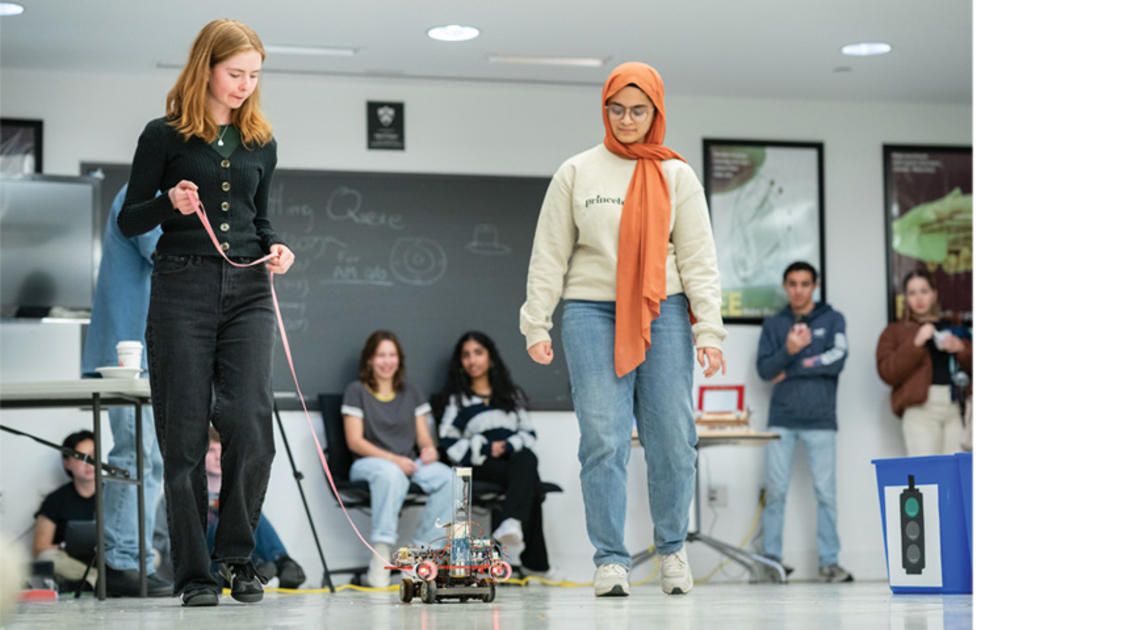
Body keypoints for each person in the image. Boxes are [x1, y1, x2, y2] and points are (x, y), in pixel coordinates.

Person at [520, 62, 726, 597]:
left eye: (638, 110)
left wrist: (710, 332)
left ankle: (672, 551)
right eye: (617, 109)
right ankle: (611, 560)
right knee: (603, 441)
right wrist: (535, 322)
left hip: (666, 312)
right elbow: (549, 253)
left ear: (656, 111)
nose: (627, 119)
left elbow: (701, 259)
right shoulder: (576, 171)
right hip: (591, 312)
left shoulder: (676, 174)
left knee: (674, 440)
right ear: (604, 110)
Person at [117, 18, 296, 607]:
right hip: (180, 289)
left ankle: (238, 558)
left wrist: (276, 246)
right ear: (207, 68)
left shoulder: (261, 141)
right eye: (235, 73)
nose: (245, 85)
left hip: (247, 290)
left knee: (250, 422)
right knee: (184, 434)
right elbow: (129, 221)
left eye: (254, 76)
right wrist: (168, 200)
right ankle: (195, 573)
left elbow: (259, 217)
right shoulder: (163, 135)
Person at [80, 183, 172, 597]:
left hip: (144, 352)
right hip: (126, 354)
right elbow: (168, 257)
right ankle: (121, 563)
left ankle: (130, 560)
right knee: (135, 454)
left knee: (146, 457)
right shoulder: (143, 194)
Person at [754, 261, 854, 583]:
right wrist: (789, 349)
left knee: (825, 493)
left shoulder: (833, 319)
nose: (798, 289)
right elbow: (766, 371)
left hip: (821, 419)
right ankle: (771, 562)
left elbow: (837, 361)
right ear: (785, 286)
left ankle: (829, 563)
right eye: (793, 283)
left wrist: (793, 367)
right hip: (781, 419)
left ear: (815, 286)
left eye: (805, 283)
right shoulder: (774, 325)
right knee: (777, 491)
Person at [434, 331, 558, 580]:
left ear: (490, 358)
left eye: (478, 353)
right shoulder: (458, 401)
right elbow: (448, 441)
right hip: (480, 464)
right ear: (460, 363)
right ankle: (536, 563)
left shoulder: (512, 395)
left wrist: (508, 445)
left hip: (512, 460)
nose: (472, 361)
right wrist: (485, 448)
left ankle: (510, 523)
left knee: (527, 461)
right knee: (529, 479)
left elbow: (528, 433)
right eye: (466, 356)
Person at [341, 330, 455, 588]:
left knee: (450, 479)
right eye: (381, 355)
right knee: (391, 474)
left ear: (399, 359)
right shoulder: (356, 391)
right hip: (370, 463)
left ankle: (418, 554)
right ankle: (380, 557)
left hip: (408, 463)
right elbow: (355, 441)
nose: (386, 361)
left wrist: (430, 451)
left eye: (392, 355)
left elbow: (424, 439)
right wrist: (393, 459)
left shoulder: (412, 392)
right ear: (370, 360)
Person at [876, 269, 973, 456]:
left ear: (934, 294)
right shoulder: (895, 331)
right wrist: (916, 343)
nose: (919, 298)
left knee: (954, 474)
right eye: (912, 293)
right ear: (905, 298)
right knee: (926, 476)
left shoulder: (954, 328)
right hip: (920, 409)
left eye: (924, 291)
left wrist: (961, 347)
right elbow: (887, 372)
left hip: (954, 407)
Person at [203, 427, 305, 589]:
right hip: (208, 562)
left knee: (243, 509)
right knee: (229, 514)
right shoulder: (186, 495)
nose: (217, 457)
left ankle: (280, 563)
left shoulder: (236, 491)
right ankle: (272, 563)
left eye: (221, 450)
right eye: (211, 451)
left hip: (232, 552)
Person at [32, 430, 97, 592]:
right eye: (81, 457)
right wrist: (63, 547)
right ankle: (99, 579)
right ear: (67, 463)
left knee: (152, 555)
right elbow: (40, 548)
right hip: (70, 562)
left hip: (108, 560)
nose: (89, 462)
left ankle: (94, 580)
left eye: (94, 455)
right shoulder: (55, 500)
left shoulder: (117, 496)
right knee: (46, 557)